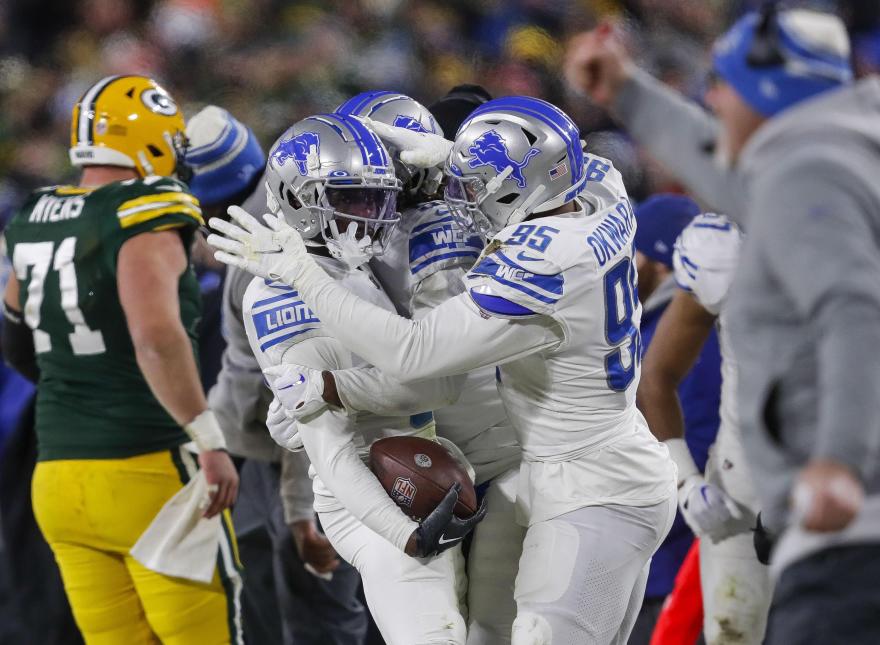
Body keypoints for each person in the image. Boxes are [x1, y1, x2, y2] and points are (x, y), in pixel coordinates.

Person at [209, 96, 678, 645]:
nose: (458, 198)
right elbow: (330, 433)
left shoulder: (530, 257)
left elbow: (421, 360)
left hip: (569, 475)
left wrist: (332, 382)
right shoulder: (600, 188)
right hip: (558, 461)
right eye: (359, 193)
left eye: (384, 187)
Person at [567, 6, 880, 643]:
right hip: (789, 491)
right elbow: (718, 166)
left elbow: (857, 322)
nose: (714, 97)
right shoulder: (815, 169)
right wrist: (626, 91)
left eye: (728, 84)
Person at [1, 75, 242, 644]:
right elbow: (155, 337)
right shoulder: (148, 211)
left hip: (58, 477)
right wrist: (207, 438)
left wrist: (72, 384)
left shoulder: (36, 214)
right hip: (146, 468)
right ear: (152, 138)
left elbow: (13, 332)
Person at [236, 113, 484, 645]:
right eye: (351, 199)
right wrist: (406, 536)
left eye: (378, 200)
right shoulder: (282, 290)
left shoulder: (341, 265)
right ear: (300, 199)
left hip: (415, 473)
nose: (370, 216)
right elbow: (332, 453)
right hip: (379, 499)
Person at [332, 90, 525, 645]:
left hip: (472, 455)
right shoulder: (416, 227)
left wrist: (329, 389)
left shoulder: (425, 232)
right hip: (452, 450)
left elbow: (437, 363)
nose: (358, 199)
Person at [186, 105, 367, 645]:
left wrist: (301, 503)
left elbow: (304, 390)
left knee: (319, 610)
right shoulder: (283, 208)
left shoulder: (260, 254)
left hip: (312, 456)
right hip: (285, 449)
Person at [641, 211, 773, 645]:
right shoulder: (728, 252)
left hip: (841, 489)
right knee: (732, 633)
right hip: (743, 490)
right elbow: (656, 376)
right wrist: (685, 480)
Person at [626, 194, 720, 645]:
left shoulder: (689, 344)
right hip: (667, 563)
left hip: (672, 571)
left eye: (635, 252)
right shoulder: (648, 326)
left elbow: (696, 447)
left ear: (662, 262)